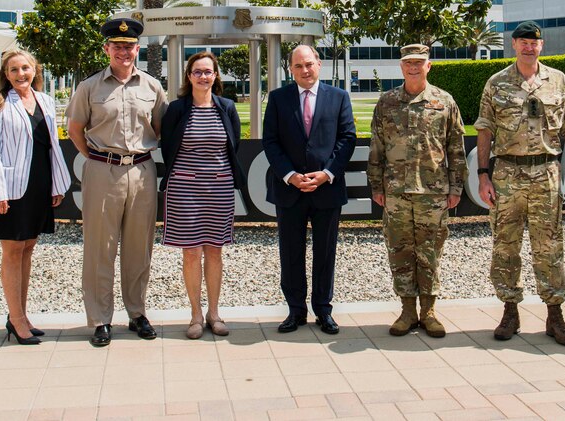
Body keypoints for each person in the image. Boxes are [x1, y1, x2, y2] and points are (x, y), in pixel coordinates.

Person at [475, 21, 565, 346]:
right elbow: (485, 130)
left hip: (547, 173)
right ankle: (510, 311)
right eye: (523, 41)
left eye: (533, 42)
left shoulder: (558, 81)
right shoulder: (496, 83)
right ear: (514, 44)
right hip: (507, 173)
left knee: (549, 246)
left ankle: (555, 314)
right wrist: (483, 175)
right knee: (505, 245)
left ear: (541, 45)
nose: (528, 47)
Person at [67, 18, 167, 347]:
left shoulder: (152, 87)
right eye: (117, 46)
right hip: (102, 171)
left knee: (140, 247)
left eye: (129, 46)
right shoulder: (90, 87)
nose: (123, 52)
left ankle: (137, 313)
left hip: (141, 170)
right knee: (100, 247)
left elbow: (161, 128)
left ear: (138, 49)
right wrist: (99, 157)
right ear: (106, 48)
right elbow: (76, 130)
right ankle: (100, 319)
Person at [367, 44, 466, 338]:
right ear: (401, 67)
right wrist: (376, 185)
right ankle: (407, 310)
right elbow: (377, 147)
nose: (413, 67)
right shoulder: (387, 103)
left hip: (433, 192)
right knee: (399, 251)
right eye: (408, 62)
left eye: (418, 63)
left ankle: (429, 311)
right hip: (396, 191)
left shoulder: (444, 102)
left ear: (428, 66)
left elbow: (456, 148)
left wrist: (456, 186)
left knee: (430, 252)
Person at [263, 44, 357, 334]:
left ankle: (323, 310)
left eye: (309, 64)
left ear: (319, 64)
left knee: (325, 253)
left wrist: (327, 173)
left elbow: (347, 138)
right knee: (290, 252)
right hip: (290, 191)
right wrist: (290, 175)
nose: (305, 70)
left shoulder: (339, 97)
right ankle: (295, 311)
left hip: (326, 190)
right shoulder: (278, 99)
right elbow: (271, 141)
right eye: (298, 66)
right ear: (290, 69)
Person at [0, 50, 71, 345]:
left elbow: (52, 146)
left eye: (25, 68)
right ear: (5, 75)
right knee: (12, 250)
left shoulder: (45, 101)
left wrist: (57, 184)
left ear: (35, 70)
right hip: (11, 186)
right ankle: (16, 319)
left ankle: (20, 314)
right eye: (14, 70)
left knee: (29, 246)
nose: (21, 74)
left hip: (40, 184)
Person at [160, 51, 245, 339]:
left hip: (219, 188)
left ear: (216, 75)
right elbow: (167, 146)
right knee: (192, 252)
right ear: (189, 76)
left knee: (215, 251)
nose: (203, 76)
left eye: (208, 71)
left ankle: (214, 314)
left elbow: (234, 143)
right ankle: (195, 315)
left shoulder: (227, 107)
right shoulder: (177, 109)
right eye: (197, 71)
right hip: (185, 188)